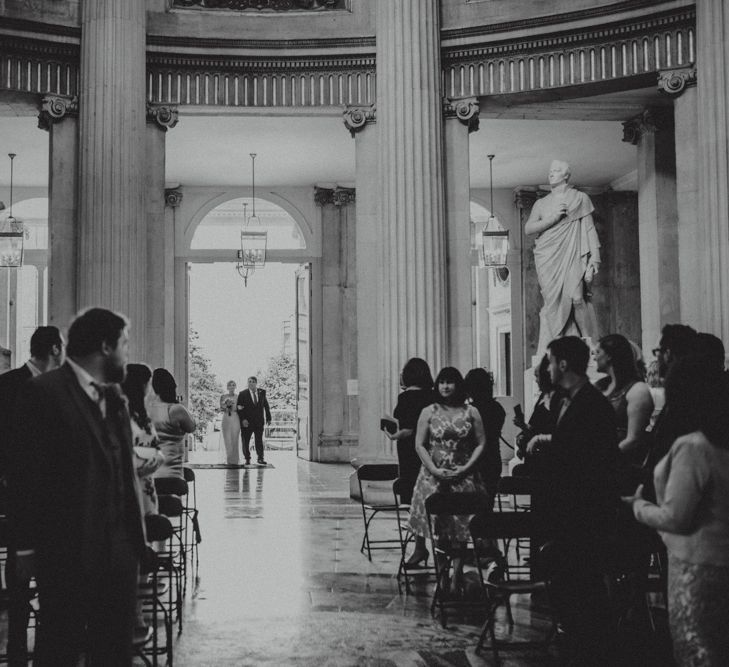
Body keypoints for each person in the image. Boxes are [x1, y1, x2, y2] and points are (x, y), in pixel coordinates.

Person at [8, 308, 146, 666]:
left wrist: (135, 543)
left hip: (118, 554)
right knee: (60, 649)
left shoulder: (115, 395)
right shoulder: (43, 392)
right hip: (65, 551)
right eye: (124, 344)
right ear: (104, 346)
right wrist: (24, 548)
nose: (127, 353)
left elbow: (123, 472)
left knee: (114, 652)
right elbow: (26, 473)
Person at [625, 354, 729, 666]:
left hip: (697, 566)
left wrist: (639, 506)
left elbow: (677, 518)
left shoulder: (695, 447)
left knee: (695, 652)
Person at [526, 336, 618, 664]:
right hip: (569, 513)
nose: (547, 367)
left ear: (563, 364)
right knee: (573, 590)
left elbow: (592, 464)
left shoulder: (592, 405)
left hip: (584, 514)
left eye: (550, 361)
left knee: (586, 593)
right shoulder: (571, 400)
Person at [0, 325, 65, 667]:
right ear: (55, 348)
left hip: (56, 502)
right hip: (21, 499)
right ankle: (15, 653)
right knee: (20, 583)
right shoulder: (9, 385)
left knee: (55, 590)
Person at [407, 367, 487, 589]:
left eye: (450, 382)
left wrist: (467, 467)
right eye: (441, 382)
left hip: (464, 474)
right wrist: (433, 468)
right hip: (434, 475)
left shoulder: (471, 411)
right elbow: (419, 444)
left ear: (457, 385)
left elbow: (481, 442)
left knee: (461, 528)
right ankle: (442, 573)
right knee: (440, 528)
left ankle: (458, 574)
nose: (445, 386)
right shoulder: (429, 411)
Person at [525, 160, 602, 354]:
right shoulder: (541, 203)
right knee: (552, 303)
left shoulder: (579, 198)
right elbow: (528, 229)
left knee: (577, 297)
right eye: (550, 171)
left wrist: (595, 258)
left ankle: (587, 341)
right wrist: (553, 218)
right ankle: (557, 342)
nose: (551, 174)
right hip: (548, 257)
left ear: (566, 175)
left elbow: (590, 228)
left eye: (557, 171)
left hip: (573, 253)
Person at [381, 357, 434, 565]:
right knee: (432, 500)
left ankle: (420, 547)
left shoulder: (405, 398)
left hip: (411, 454)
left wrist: (397, 432)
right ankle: (439, 549)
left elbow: (402, 426)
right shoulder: (433, 396)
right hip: (432, 453)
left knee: (415, 500)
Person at [593, 333, 654, 467]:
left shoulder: (637, 390)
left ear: (609, 356)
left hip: (623, 464)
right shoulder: (599, 386)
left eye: (597, 352)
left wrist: (601, 460)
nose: (594, 357)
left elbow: (633, 439)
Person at [121, 363, 165, 516]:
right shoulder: (120, 415)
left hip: (146, 481)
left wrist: (158, 457)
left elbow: (153, 448)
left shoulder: (142, 416)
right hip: (129, 482)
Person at [463, 367, 505, 503]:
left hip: (473, 460)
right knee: (488, 502)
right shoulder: (498, 409)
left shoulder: (469, 411)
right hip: (492, 459)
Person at [148, 368, 196, 484]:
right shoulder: (176, 409)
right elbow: (192, 427)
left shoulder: (146, 409)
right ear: (172, 387)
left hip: (149, 473)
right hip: (172, 474)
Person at [236, 376, 272, 466]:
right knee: (246, 441)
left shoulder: (262, 392)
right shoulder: (242, 394)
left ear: (256, 383)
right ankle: (247, 458)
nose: (250, 383)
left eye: (252, 381)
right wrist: (243, 420)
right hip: (247, 422)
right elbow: (239, 408)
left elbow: (266, 405)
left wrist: (268, 417)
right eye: (249, 381)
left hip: (259, 422)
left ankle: (260, 458)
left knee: (259, 440)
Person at [220, 380, 241, 465]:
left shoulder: (238, 397)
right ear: (227, 387)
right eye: (230, 385)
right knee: (227, 438)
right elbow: (221, 408)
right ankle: (229, 458)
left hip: (235, 418)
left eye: (233, 385)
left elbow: (240, 407)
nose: (231, 387)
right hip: (226, 418)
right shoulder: (223, 396)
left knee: (235, 438)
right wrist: (227, 407)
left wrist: (237, 408)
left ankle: (235, 460)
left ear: (235, 387)